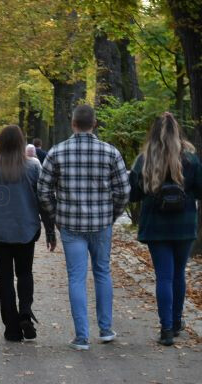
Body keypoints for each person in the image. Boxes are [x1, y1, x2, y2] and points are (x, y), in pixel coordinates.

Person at [37, 104, 130, 351]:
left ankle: (81, 337)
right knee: (102, 272)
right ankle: (106, 329)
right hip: (101, 224)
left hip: (71, 225)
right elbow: (123, 190)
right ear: (95, 123)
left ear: (73, 124)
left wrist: (57, 214)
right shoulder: (111, 153)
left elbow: (43, 190)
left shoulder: (57, 152)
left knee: (76, 278)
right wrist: (112, 215)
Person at [0, 125, 56, 342]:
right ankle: (25, 313)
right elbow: (43, 201)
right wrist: (49, 230)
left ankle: (11, 328)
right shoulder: (32, 168)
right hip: (25, 229)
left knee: (6, 279)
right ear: (21, 143)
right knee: (25, 273)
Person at [128, 112, 202, 346]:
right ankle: (177, 321)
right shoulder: (190, 158)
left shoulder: (145, 158)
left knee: (164, 276)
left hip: (156, 225)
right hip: (184, 224)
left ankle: (166, 329)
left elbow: (134, 193)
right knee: (179, 274)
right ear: (177, 130)